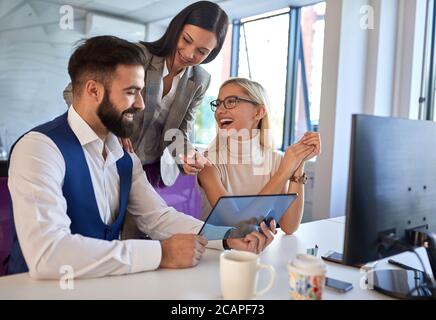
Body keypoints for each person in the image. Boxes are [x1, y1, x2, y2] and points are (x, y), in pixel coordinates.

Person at [6, 37, 275, 279]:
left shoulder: (124, 157)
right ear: (93, 90)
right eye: (132, 92)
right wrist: (160, 254)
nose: (142, 105)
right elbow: (49, 254)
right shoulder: (39, 148)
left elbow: (158, 218)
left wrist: (229, 237)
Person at [63, 1, 229, 187]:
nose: (189, 54)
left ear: (212, 53)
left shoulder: (200, 80)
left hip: (150, 170)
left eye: (202, 51)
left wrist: (188, 155)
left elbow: (178, 131)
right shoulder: (138, 55)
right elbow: (74, 91)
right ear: (176, 30)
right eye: (186, 40)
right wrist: (113, 126)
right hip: (108, 158)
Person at [198, 78, 321, 235]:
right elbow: (238, 225)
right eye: (218, 103)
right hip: (215, 255)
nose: (219, 111)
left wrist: (299, 164)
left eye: (230, 102)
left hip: (257, 253)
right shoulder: (208, 163)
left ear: (259, 112)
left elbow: (289, 226)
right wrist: (284, 172)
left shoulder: (276, 160)